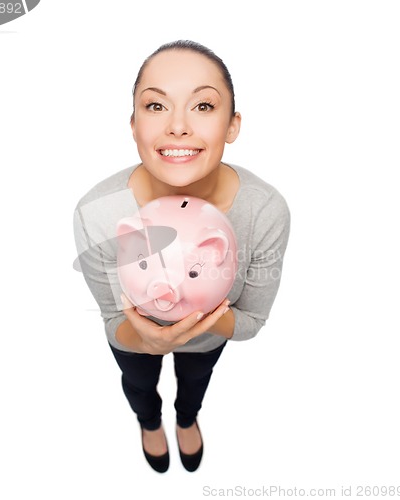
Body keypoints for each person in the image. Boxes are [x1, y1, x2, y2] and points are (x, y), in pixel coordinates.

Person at [73, 40, 290, 473]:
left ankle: (187, 417)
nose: (177, 126)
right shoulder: (99, 213)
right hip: (136, 343)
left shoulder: (264, 210)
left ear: (232, 125)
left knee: (196, 379)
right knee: (138, 381)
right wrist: (148, 339)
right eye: (155, 107)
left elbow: (252, 323)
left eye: (203, 106)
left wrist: (199, 312)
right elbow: (115, 322)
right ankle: (148, 421)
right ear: (133, 125)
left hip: (209, 338)